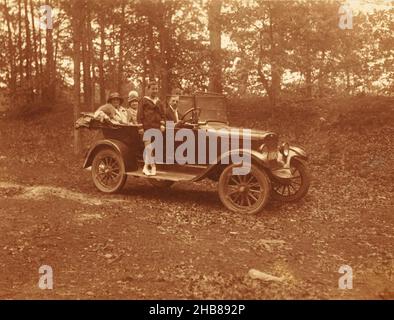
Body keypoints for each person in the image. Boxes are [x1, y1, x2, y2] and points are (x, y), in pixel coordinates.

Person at [137, 81, 165, 176]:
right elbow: (139, 114)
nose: (155, 91)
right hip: (147, 127)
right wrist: (140, 127)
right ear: (148, 89)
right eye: (153, 89)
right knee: (148, 148)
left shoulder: (159, 102)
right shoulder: (143, 100)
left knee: (153, 148)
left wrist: (162, 124)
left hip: (157, 128)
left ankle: (145, 167)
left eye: (156, 89)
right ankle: (153, 166)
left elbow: (162, 114)